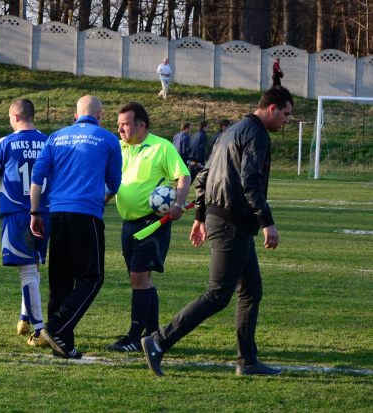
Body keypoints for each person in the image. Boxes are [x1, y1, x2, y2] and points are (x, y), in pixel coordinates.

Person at [141, 86, 294, 377]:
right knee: (217, 294)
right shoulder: (256, 135)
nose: (286, 121)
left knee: (251, 291)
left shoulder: (229, 132)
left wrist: (200, 216)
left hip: (224, 218)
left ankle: (247, 361)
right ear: (272, 108)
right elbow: (251, 182)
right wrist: (268, 222)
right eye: (286, 114)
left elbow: (203, 176)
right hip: (232, 222)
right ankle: (158, 341)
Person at [30, 95, 122, 359]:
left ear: (75, 114)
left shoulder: (56, 137)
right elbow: (114, 183)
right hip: (86, 215)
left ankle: (63, 345)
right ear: (101, 115)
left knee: (60, 280)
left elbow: (38, 175)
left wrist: (35, 212)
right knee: (92, 278)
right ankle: (56, 329)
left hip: (56, 214)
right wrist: (100, 200)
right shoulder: (108, 139)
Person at [106, 102, 190, 353]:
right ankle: (154, 335)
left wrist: (179, 203)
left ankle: (133, 337)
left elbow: (182, 176)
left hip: (153, 223)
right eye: (119, 123)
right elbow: (113, 182)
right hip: (128, 222)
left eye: (125, 124)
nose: (120, 128)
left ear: (141, 124)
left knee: (138, 278)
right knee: (143, 280)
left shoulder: (161, 146)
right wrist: (100, 203)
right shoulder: (119, 147)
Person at [0, 99, 50, 348]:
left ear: (15, 116)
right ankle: (24, 317)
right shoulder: (48, 141)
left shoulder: (5, 143)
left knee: (27, 271)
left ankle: (40, 329)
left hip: (18, 214)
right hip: (45, 212)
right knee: (33, 266)